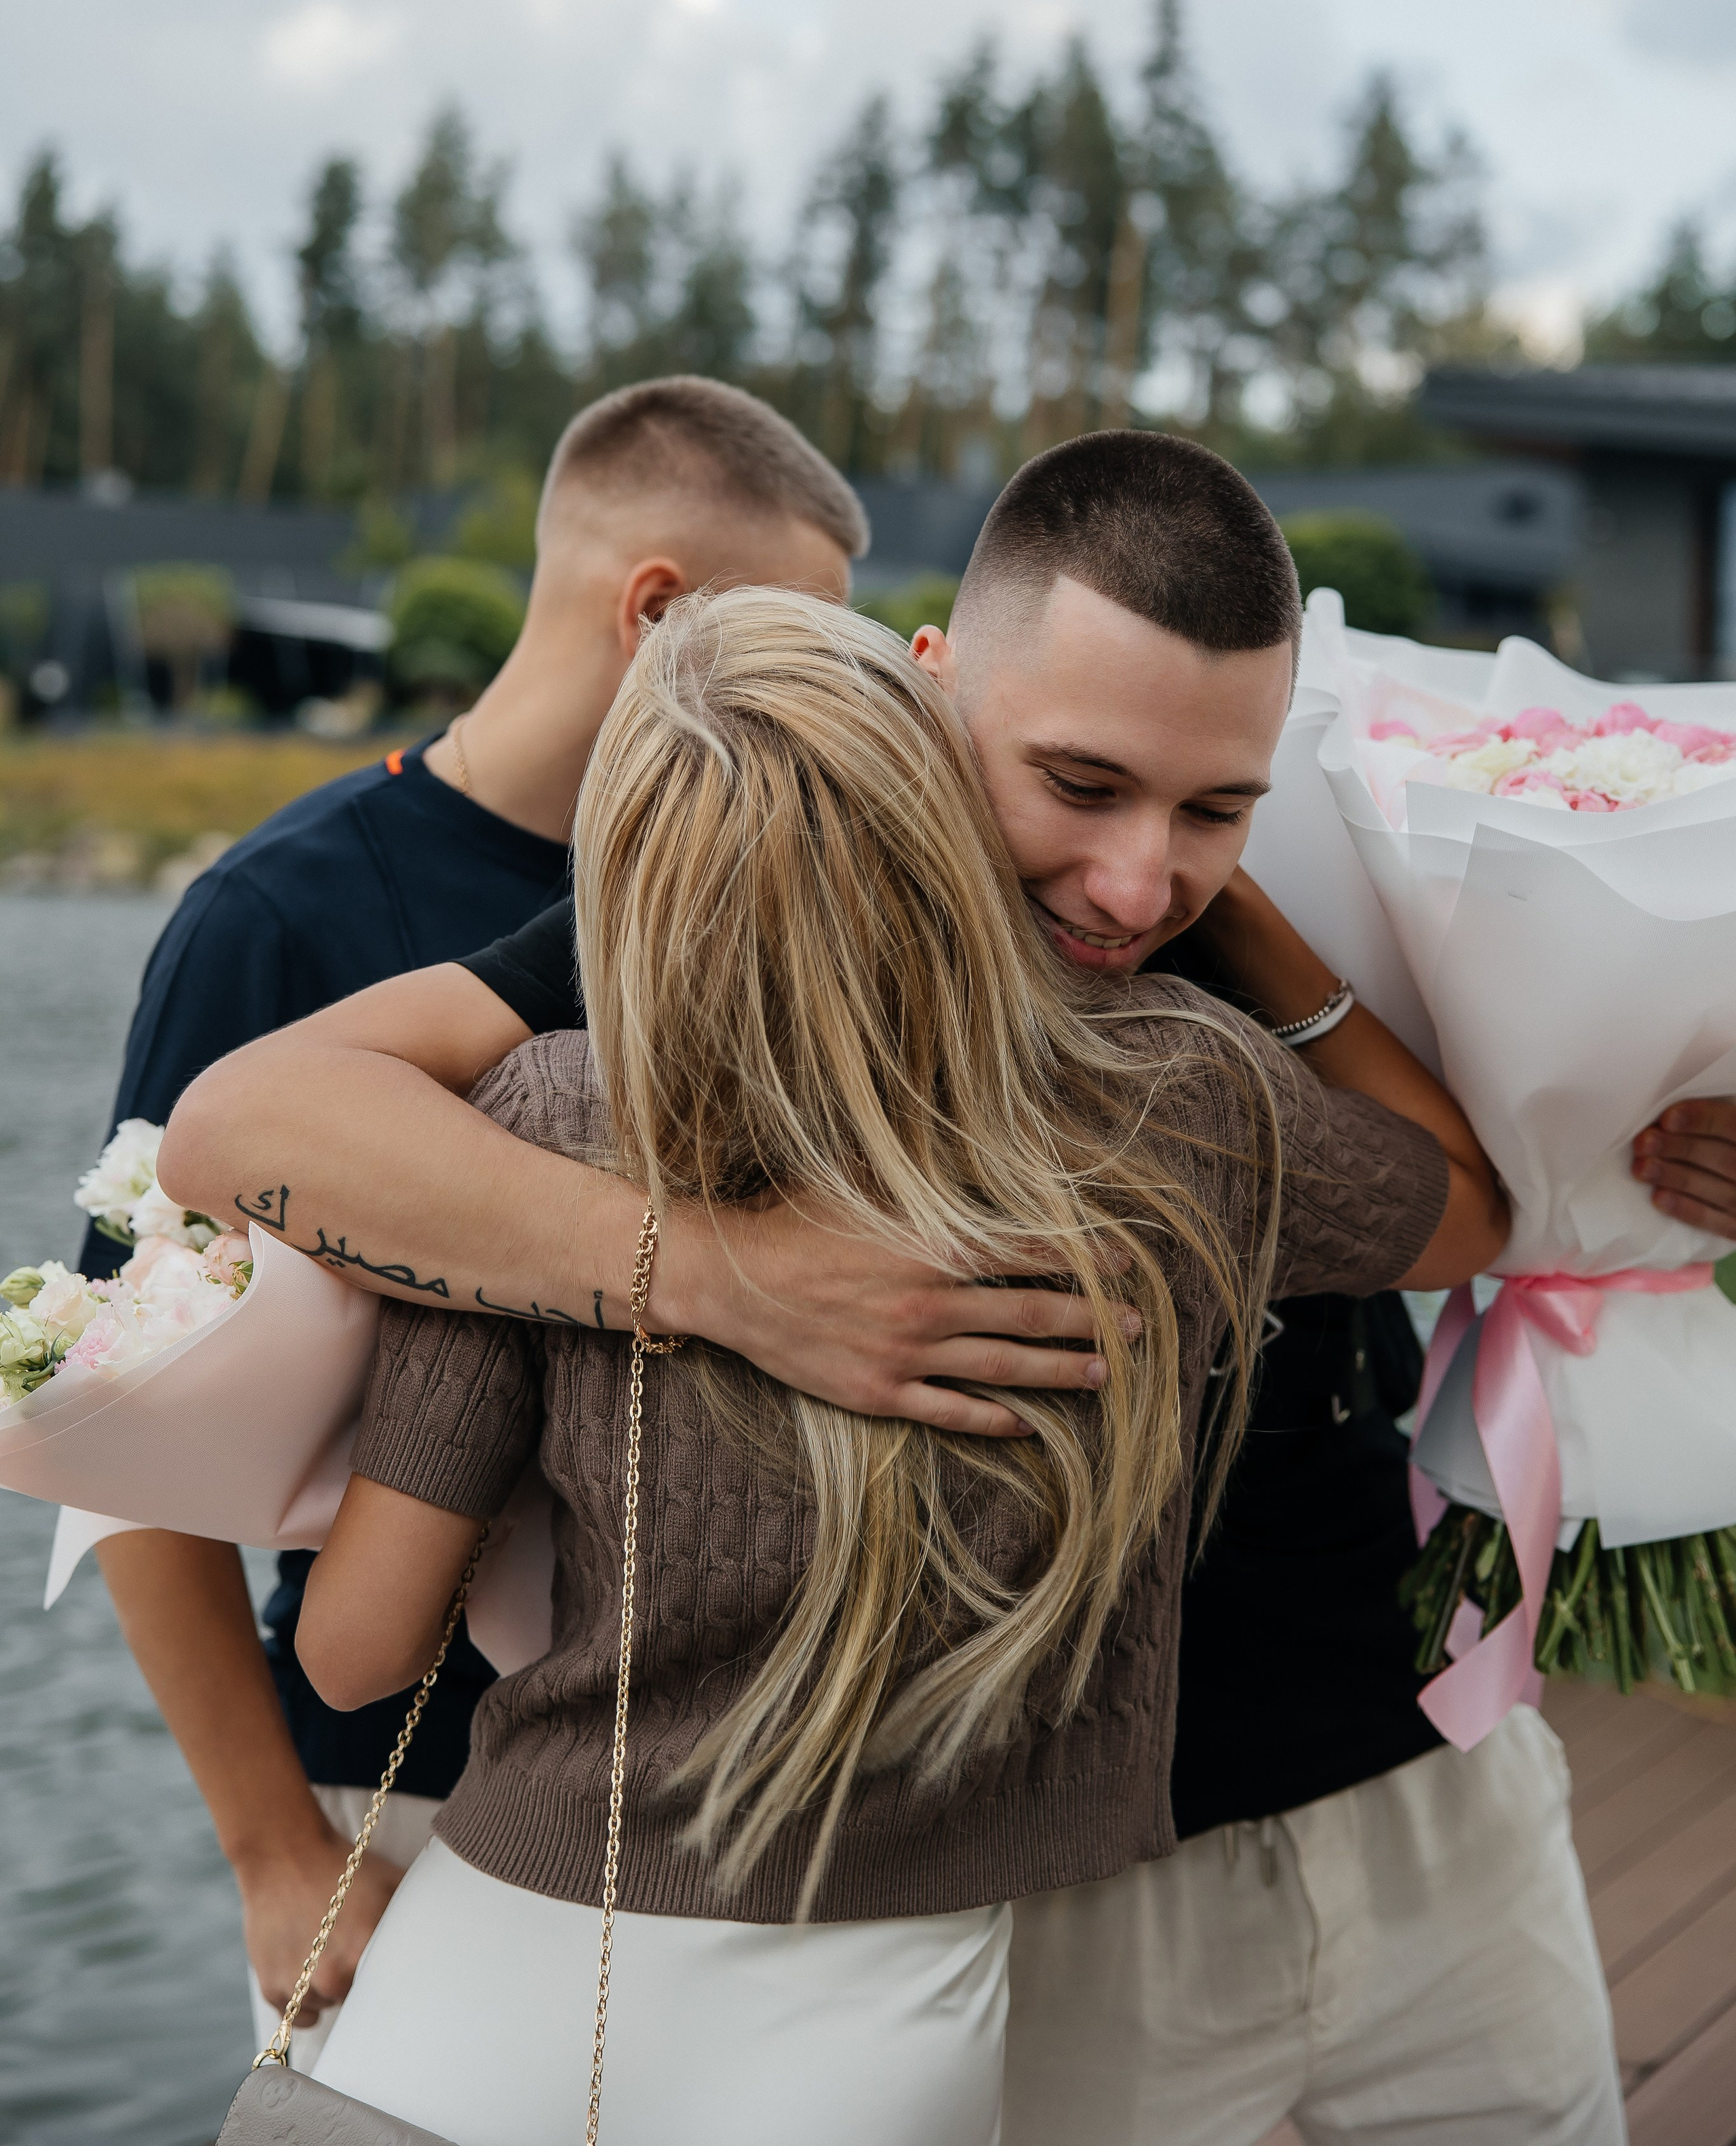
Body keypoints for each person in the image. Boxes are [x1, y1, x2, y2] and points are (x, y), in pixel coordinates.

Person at [163, 429, 1636, 2140]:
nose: (1138, 880)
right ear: (929, 696)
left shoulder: (1204, 963)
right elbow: (239, 1123)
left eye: (1216, 807)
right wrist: (717, 1277)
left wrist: (1263, 937)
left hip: (1389, 1742)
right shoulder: (752, 918)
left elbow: (1486, 1202)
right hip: (1040, 1890)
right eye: (1077, 787)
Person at [86, 373, 894, 2066]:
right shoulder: (278, 916)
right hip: (393, 1797)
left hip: (723, 1798)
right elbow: (114, 1431)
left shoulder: (775, 890)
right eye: (801, 634)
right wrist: (273, 1856)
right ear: (658, 610)